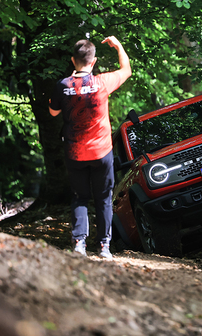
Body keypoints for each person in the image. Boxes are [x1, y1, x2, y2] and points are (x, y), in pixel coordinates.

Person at [49, 36, 131, 259]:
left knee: (79, 197)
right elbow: (126, 70)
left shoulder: (62, 85)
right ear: (93, 62)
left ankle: (79, 245)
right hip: (102, 152)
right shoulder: (102, 83)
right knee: (103, 198)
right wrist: (118, 46)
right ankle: (104, 247)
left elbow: (53, 112)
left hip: (75, 153)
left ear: (72, 60)